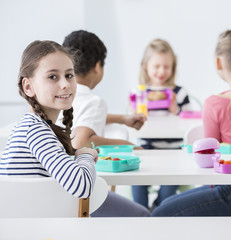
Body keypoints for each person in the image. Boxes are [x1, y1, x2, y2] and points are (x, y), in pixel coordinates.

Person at [0, 40, 150, 217]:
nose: (65, 84)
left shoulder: (33, 126)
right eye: (53, 77)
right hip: (38, 227)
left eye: (69, 75)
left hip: (33, 222)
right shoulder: (36, 131)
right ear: (28, 86)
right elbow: (82, 186)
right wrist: (86, 155)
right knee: (142, 216)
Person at [152, 29, 231, 216]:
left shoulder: (214, 104)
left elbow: (209, 163)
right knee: (168, 203)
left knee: (159, 213)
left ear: (218, 62)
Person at [132, 39, 191, 210]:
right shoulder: (140, 93)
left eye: (166, 67)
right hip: (146, 148)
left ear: (173, 67)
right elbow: (132, 123)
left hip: (173, 151)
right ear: (146, 66)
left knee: (170, 184)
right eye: (156, 66)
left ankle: (158, 208)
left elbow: (189, 123)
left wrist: (175, 111)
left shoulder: (179, 93)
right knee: (137, 179)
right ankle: (139, 210)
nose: (161, 71)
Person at [61, 30, 146, 149]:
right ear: (97, 66)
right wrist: (130, 146)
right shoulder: (94, 103)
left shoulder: (59, 95)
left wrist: (123, 119)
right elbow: (80, 142)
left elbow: (85, 118)